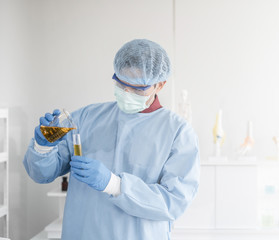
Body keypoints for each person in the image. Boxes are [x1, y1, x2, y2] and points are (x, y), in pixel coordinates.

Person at [23, 39, 200, 240]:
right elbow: (41, 174)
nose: (126, 92)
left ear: (160, 84)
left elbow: (174, 201)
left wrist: (114, 185)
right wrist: (43, 146)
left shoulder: (178, 132)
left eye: (137, 88)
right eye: (121, 83)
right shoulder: (87, 117)